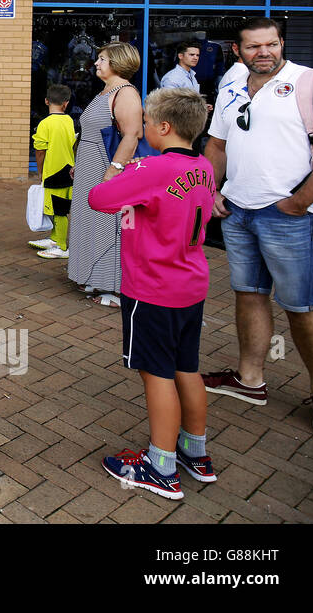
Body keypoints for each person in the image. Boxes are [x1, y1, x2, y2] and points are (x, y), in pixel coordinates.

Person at [202, 18, 313, 439]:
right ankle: (250, 379)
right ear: (238, 50)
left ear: (281, 44)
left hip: (292, 217)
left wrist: (298, 202)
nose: (265, 53)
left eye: (271, 44)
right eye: (254, 46)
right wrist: (210, 190)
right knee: (249, 294)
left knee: (302, 306)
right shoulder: (233, 84)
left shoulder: (312, 83)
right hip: (238, 211)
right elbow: (217, 145)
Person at [89, 88, 218, 498]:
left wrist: (121, 169)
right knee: (187, 367)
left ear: (164, 127)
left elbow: (99, 198)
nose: (142, 127)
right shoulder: (203, 166)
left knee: (156, 373)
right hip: (190, 283)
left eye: (146, 121)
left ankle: (161, 464)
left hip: (153, 288)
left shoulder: (153, 168)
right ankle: (194, 451)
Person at [67, 42, 145, 302]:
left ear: (118, 63)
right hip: (90, 163)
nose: (97, 63)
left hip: (105, 165)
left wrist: (114, 170)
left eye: (102, 59)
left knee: (106, 223)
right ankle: (91, 277)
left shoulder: (125, 93)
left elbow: (132, 135)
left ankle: (110, 285)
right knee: (88, 220)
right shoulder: (105, 91)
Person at [31, 83, 76, 259]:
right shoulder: (69, 121)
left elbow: (40, 151)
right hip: (68, 169)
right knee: (59, 208)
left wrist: (40, 172)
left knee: (58, 211)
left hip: (53, 172)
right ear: (66, 103)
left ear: (46, 101)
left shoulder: (45, 124)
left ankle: (62, 247)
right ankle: (55, 239)